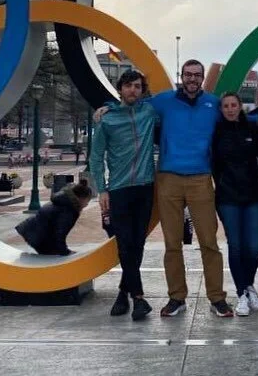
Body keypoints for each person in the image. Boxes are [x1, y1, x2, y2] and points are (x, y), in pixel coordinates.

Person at [99, 59, 231, 318]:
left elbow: (237, 116)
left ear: (202, 78)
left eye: (197, 75)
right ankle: (176, 298)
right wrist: (108, 107)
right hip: (168, 179)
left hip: (201, 179)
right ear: (181, 76)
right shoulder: (164, 100)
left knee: (209, 242)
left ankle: (217, 298)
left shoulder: (213, 104)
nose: (192, 79)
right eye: (188, 74)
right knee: (172, 244)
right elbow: (131, 104)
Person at [88, 69, 158, 321]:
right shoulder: (106, 119)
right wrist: (102, 189)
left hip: (145, 186)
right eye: (128, 86)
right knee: (124, 242)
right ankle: (138, 298)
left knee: (136, 244)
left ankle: (122, 292)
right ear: (120, 89)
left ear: (142, 90)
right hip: (118, 190)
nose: (133, 90)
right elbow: (95, 157)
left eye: (138, 86)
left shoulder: (149, 112)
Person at [212, 91, 258, 317]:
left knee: (253, 246)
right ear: (221, 109)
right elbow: (214, 166)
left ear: (240, 106)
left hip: (254, 195)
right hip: (228, 197)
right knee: (236, 246)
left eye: (234, 105)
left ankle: (248, 285)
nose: (231, 109)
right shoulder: (216, 132)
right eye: (226, 106)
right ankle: (242, 293)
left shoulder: (252, 127)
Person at [15, 180, 93, 256]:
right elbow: (60, 233)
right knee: (53, 257)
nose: (87, 204)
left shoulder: (64, 200)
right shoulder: (69, 210)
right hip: (38, 236)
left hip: (32, 230)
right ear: (81, 198)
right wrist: (65, 252)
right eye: (87, 201)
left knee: (53, 254)